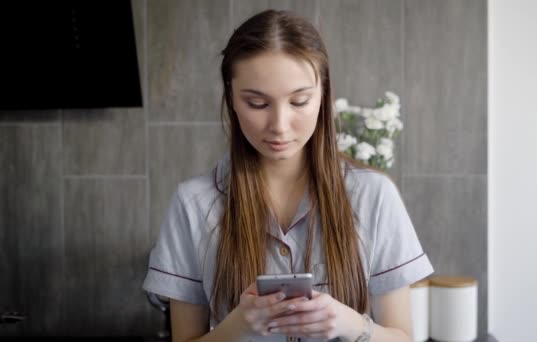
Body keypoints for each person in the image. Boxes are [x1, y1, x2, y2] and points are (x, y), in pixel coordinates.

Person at [143, 9, 433, 342]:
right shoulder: (192, 204)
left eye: (299, 101)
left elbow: (402, 338)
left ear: (322, 96)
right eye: (257, 103)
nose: (279, 125)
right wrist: (238, 325)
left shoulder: (375, 196)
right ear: (232, 99)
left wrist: (351, 325)